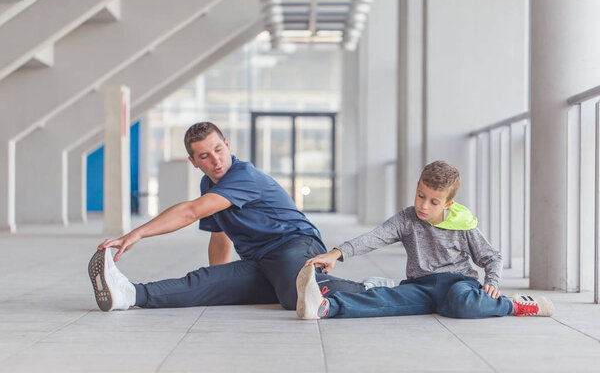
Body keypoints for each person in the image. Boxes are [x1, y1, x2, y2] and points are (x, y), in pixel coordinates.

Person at [88, 122, 369, 312]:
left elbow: (190, 211)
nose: (216, 161)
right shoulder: (208, 186)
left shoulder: (243, 176)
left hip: (294, 246)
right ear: (194, 162)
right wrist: (217, 277)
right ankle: (129, 294)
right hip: (259, 261)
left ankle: (368, 289)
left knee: (295, 297)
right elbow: (220, 238)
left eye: (219, 150)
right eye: (205, 156)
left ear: (227, 144)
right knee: (201, 283)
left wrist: (135, 234)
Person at [295, 160, 555, 320]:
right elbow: (375, 237)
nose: (424, 206)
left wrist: (492, 282)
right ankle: (325, 307)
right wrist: (336, 253)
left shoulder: (463, 224)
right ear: (417, 187)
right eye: (420, 195)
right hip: (420, 285)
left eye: (434, 201)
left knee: (461, 305)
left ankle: (513, 305)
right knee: (385, 299)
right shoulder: (407, 219)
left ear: (448, 203)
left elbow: (491, 257)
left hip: (458, 284)